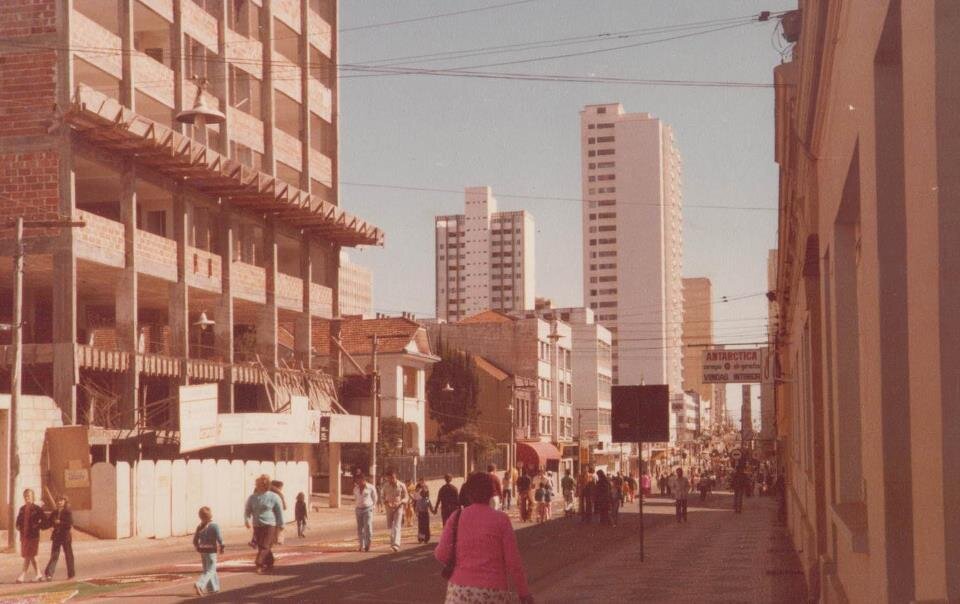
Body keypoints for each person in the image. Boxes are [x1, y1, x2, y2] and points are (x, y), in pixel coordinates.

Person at [435, 473, 533, 604]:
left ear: (468, 493)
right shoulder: (501, 519)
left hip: (460, 590)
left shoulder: (456, 517)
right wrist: (524, 593)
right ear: (491, 493)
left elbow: (441, 554)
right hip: (493, 591)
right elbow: (513, 562)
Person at [244, 474, 285, 573]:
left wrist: (281, 526)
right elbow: (247, 510)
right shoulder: (252, 497)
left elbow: (279, 513)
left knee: (265, 545)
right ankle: (270, 562)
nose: (256, 486)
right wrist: (247, 520)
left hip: (270, 525)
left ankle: (259, 564)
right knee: (261, 545)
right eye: (256, 484)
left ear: (264, 485)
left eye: (258, 484)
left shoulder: (273, 497)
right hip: (257, 525)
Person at [193, 506, 224, 596]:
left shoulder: (199, 526)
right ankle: (200, 584)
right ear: (210, 515)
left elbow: (195, 540)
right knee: (211, 570)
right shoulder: (214, 526)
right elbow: (219, 538)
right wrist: (222, 546)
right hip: (211, 550)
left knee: (206, 569)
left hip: (203, 550)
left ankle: (213, 588)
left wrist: (198, 547)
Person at [42, 495, 75, 581]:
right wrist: (40, 525)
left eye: (61, 500)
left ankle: (71, 574)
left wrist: (60, 522)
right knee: (54, 555)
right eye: (58, 501)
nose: (59, 502)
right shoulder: (54, 512)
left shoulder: (67, 512)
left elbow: (69, 523)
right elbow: (48, 523)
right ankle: (49, 574)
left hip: (65, 536)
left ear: (65, 502)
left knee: (68, 555)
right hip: (56, 536)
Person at [15, 489, 44, 583]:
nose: (27, 497)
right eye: (26, 496)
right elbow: (18, 520)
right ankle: (38, 574)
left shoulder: (37, 509)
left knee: (29, 555)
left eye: (29, 495)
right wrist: (18, 526)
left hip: (33, 535)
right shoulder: (22, 509)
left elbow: (45, 520)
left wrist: (38, 526)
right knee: (31, 556)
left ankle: (22, 575)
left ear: (33, 496)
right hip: (24, 535)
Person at [382, 469, 409, 552]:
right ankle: (392, 542)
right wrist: (386, 503)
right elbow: (382, 496)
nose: (391, 480)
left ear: (395, 476)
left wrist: (401, 502)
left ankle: (396, 544)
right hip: (389, 508)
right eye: (389, 478)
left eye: (393, 477)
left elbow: (406, 497)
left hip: (398, 507)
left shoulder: (401, 485)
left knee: (397, 525)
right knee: (390, 526)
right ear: (387, 478)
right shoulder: (385, 486)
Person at [353, 472, 378, 552]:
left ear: (364, 480)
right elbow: (356, 497)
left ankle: (368, 544)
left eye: (360, 481)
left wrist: (373, 506)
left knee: (367, 526)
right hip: (358, 509)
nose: (359, 482)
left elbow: (375, 497)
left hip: (368, 509)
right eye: (357, 481)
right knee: (360, 528)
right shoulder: (356, 488)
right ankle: (361, 545)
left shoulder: (371, 487)